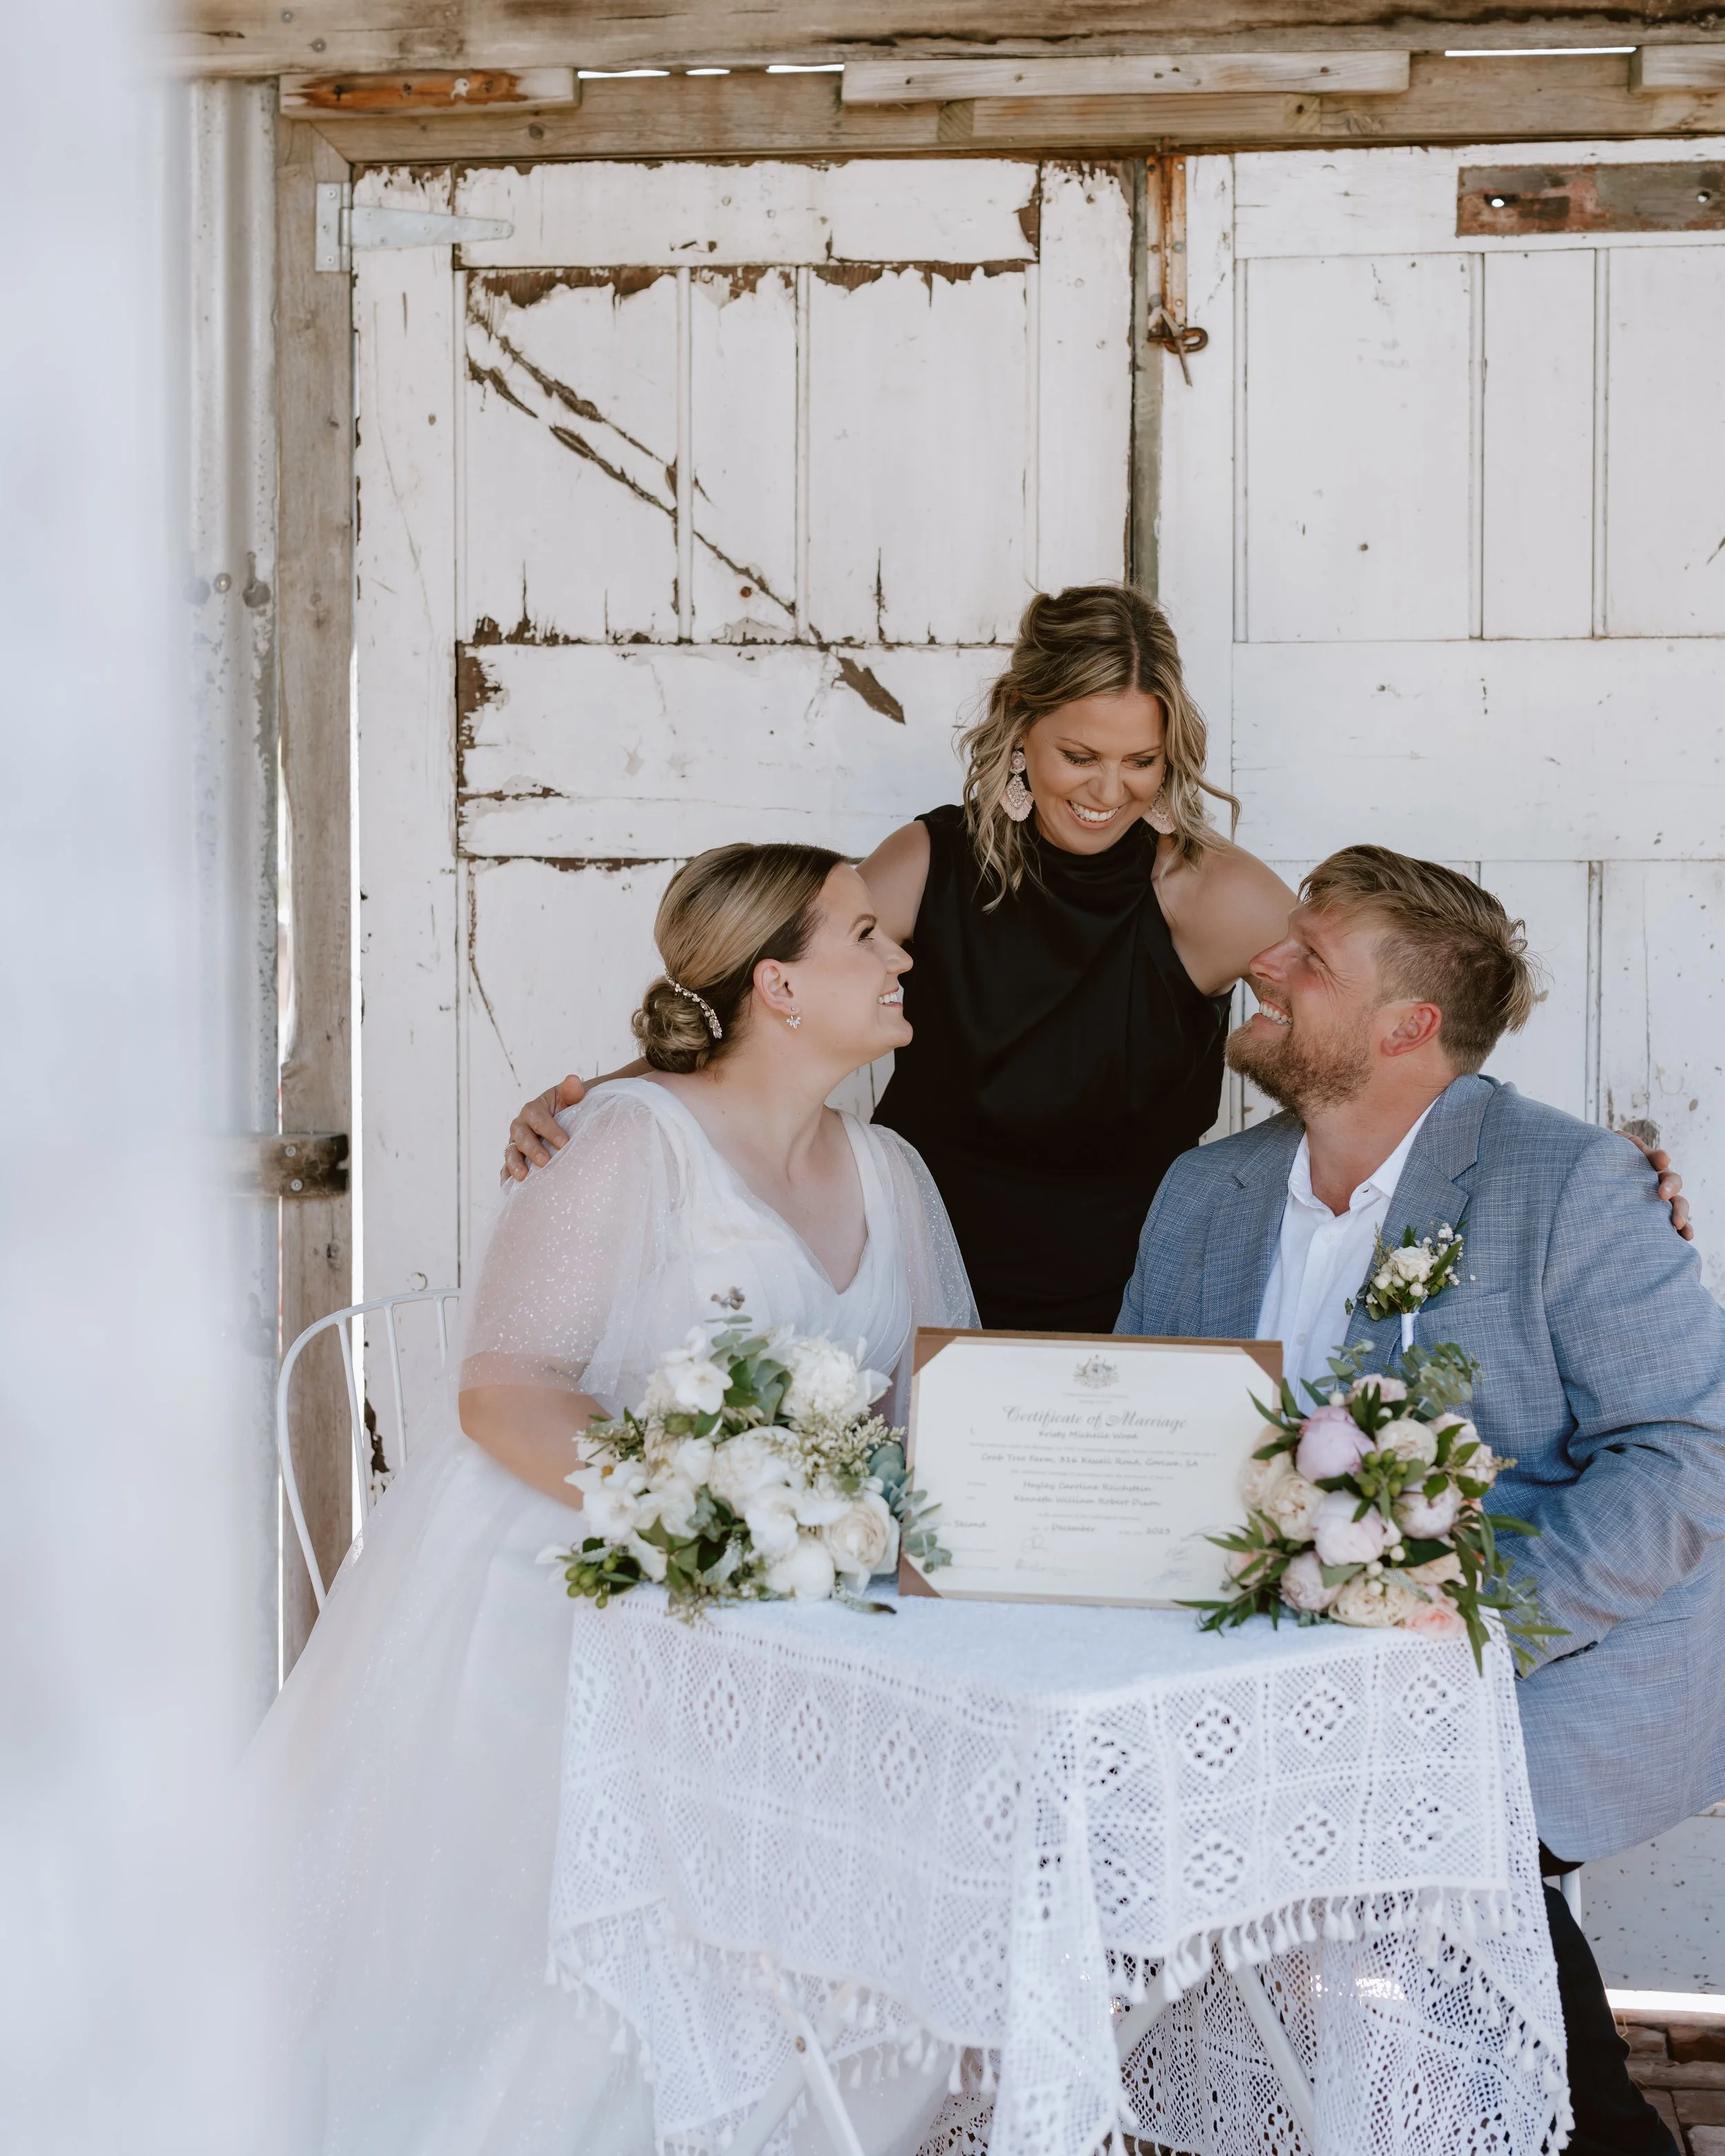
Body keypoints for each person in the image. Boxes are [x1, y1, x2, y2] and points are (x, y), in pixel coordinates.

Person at [244, 842, 977, 2156]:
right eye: (868, 935)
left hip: (802, 1609)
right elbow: (506, 1392)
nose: (903, 955)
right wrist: (714, 1525)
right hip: (579, 1577)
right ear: (780, 985)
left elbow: (929, 1413)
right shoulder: (624, 1147)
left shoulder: (894, 1175)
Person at [503, 587, 1689, 1323]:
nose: (1110, 791)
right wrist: (618, 1101)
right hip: (925, 1266)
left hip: (1137, 1291)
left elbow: (1381, 1025)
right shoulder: (925, 864)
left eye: (1142, 762)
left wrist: (1582, 1165)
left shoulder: (1211, 894)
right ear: (1020, 724)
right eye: (1081, 756)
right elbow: (776, 988)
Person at [1117, 844, 1725, 2156]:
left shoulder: (1567, 1185)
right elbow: (1144, 1446)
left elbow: (1688, 1455)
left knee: (1439, 1870)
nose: (1261, 967)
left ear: (1410, 1027)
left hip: (1544, 1666)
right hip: (1261, 1676)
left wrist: (1460, 1628)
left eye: (1307, 959)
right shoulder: (1201, 1194)